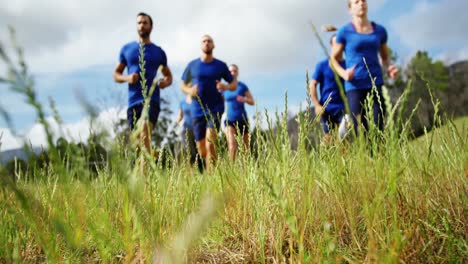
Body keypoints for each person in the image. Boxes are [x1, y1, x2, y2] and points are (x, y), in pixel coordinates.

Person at [330, 0, 398, 135]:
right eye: (356, 1)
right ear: (350, 9)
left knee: (377, 126)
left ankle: (378, 155)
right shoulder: (345, 32)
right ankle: (365, 155)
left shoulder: (379, 31)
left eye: (363, 1)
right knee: (358, 130)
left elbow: (385, 57)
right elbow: (333, 60)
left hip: (375, 83)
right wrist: (344, 74)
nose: (361, 3)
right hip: (354, 86)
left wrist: (389, 68)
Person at [113, 12, 173, 156]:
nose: (142, 25)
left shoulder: (159, 52)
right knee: (138, 144)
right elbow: (116, 75)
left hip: (151, 99)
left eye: (145, 22)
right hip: (133, 101)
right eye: (139, 22)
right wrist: (128, 78)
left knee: (144, 132)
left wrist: (165, 82)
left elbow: (168, 76)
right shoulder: (127, 49)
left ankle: (143, 179)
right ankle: (155, 155)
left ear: (151, 27)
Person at [181, 35, 237, 171]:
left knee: (210, 143)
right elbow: (182, 85)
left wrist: (226, 87)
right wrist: (190, 90)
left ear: (213, 45)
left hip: (215, 108)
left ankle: (211, 178)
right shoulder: (192, 65)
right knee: (202, 149)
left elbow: (233, 83)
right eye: (204, 41)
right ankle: (210, 168)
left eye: (209, 41)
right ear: (201, 46)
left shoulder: (220, 65)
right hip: (197, 110)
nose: (207, 43)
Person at [309, 35, 346, 144]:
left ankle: (345, 158)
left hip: (345, 108)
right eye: (336, 43)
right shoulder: (322, 65)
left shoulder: (348, 65)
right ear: (331, 45)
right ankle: (323, 158)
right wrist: (316, 105)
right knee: (329, 138)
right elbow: (312, 84)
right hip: (327, 109)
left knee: (345, 135)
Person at [223, 64, 255, 160]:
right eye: (230, 71)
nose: (232, 73)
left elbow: (252, 101)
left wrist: (244, 99)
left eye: (235, 71)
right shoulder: (225, 88)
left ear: (237, 73)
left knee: (246, 149)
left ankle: (245, 171)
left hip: (242, 119)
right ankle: (231, 172)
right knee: (232, 146)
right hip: (229, 120)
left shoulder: (242, 86)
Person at [176, 95, 198, 167]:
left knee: (199, 151)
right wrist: (177, 123)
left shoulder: (197, 101)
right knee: (188, 151)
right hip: (186, 129)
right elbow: (180, 116)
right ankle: (191, 173)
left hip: (197, 128)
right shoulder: (182, 102)